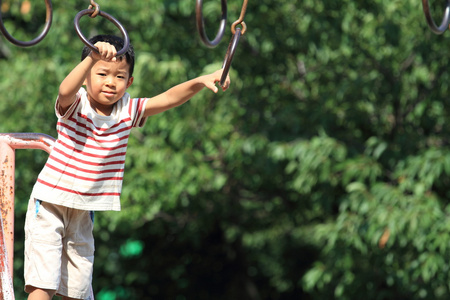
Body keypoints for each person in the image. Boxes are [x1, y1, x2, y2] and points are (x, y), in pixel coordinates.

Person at [24, 34, 230, 300]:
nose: (111, 82)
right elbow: (65, 91)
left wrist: (200, 81)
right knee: (44, 283)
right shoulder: (77, 104)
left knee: (77, 288)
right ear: (86, 76)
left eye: (120, 77)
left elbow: (168, 99)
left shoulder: (127, 110)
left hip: (83, 209)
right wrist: (91, 57)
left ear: (129, 82)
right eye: (102, 73)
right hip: (50, 201)